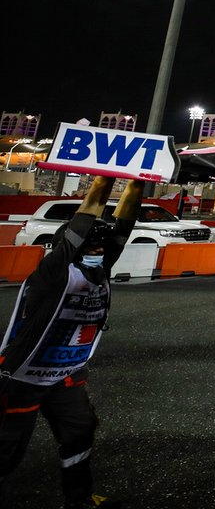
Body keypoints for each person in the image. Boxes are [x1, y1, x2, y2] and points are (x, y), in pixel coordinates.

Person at [0, 175, 143, 509]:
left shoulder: (100, 269)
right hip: (22, 379)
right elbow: (85, 216)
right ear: (71, 245)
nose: (98, 251)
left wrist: (138, 181)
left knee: (80, 431)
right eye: (90, 246)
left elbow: (124, 224)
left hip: (65, 377)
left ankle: (78, 501)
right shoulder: (54, 271)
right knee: (5, 450)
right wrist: (105, 177)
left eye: (100, 247)